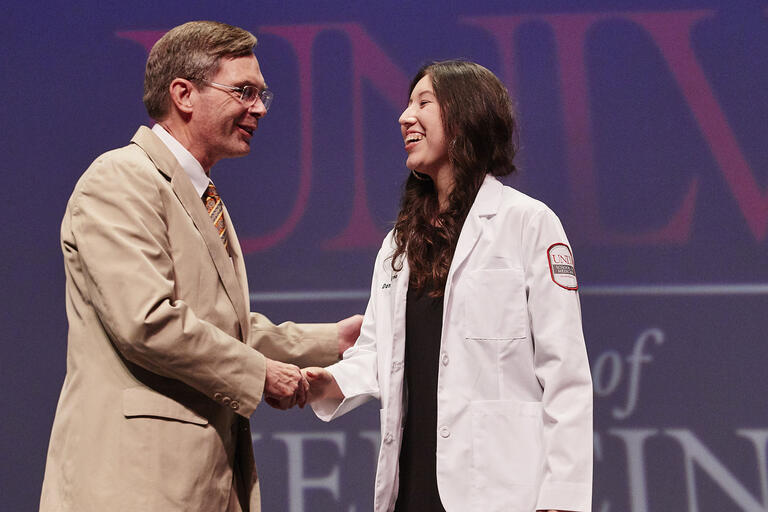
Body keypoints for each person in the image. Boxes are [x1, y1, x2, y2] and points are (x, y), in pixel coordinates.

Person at [39, 20, 362, 512]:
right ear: (184, 94)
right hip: (134, 485)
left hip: (200, 484)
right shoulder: (120, 179)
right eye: (244, 92)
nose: (258, 108)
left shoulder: (203, 195)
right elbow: (147, 321)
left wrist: (332, 341)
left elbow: (219, 326)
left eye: (261, 94)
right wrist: (259, 374)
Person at [301, 60, 593, 511]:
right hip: (411, 487)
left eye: (423, 102)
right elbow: (379, 355)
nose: (404, 116)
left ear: (466, 115)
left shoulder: (529, 224)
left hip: (500, 489)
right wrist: (325, 383)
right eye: (406, 103)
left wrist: (562, 501)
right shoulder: (399, 242)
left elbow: (565, 373)